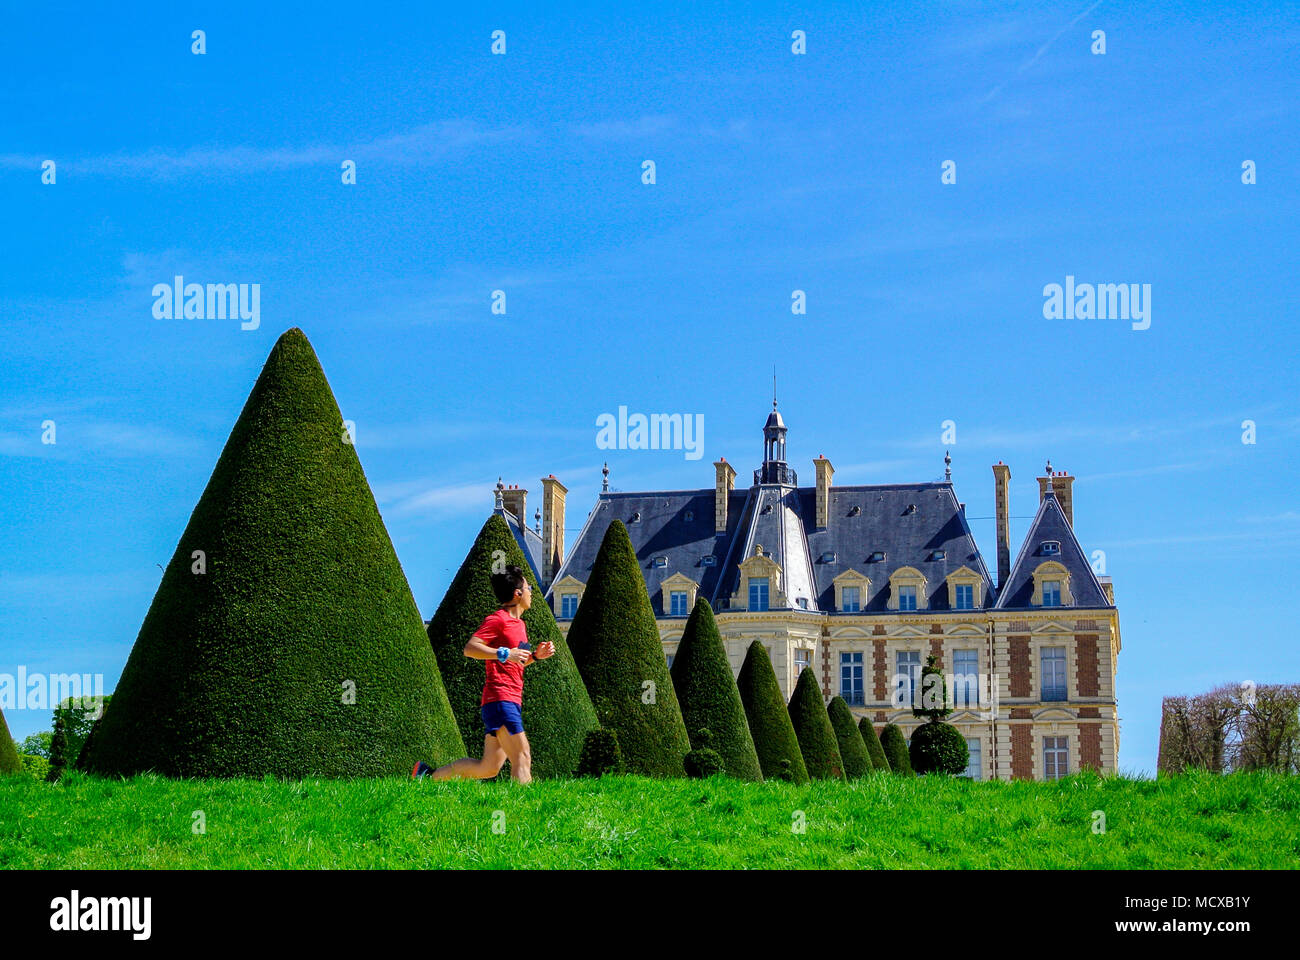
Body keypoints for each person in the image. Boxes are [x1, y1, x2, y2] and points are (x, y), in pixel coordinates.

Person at [413, 564, 554, 784]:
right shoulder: (498, 620)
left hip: (509, 699)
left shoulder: (520, 625)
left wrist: (535, 656)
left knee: (488, 767)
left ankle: (427, 776)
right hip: (500, 698)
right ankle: (525, 811)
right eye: (529, 588)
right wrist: (505, 653)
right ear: (517, 594)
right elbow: (470, 648)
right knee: (522, 756)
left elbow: (515, 662)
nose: (531, 593)